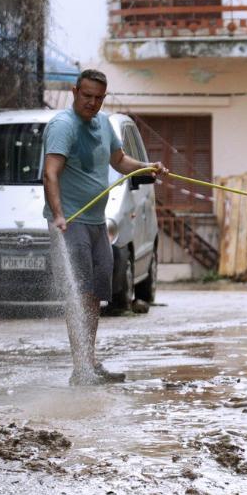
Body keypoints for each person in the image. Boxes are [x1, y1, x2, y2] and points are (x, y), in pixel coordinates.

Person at [43, 69, 167, 385]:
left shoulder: (103, 123)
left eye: (99, 98)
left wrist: (147, 167)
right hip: (71, 222)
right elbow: (50, 173)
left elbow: (119, 160)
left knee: (94, 295)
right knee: (78, 294)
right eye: (87, 96)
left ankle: (88, 362)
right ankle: (81, 368)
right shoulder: (63, 126)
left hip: (97, 222)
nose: (92, 103)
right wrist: (58, 215)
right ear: (74, 92)